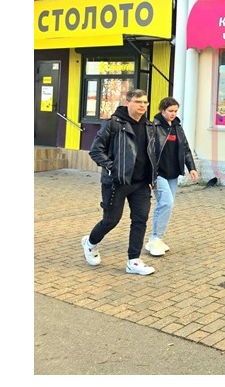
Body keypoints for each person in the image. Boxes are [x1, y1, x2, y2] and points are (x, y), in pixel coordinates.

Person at [82, 89, 157, 276]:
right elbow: (96, 151)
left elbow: (152, 153)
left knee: (140, 220)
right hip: (117, 182)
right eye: (138, 101)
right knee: (111, 220)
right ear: (127, 102)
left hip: (141, 183)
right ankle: (90, 243)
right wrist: (113, 168)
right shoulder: (113, 123)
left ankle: (134, 261)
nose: (142, 105)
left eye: (145, 102)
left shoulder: (149, 126)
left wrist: (153, 175)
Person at [146, 97, 199, 257]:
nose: (173, 114)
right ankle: (155, 239)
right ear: (162, 110)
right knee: (166, 203)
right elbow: (147, 151)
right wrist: (149, 175)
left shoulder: (177, 127)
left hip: (173, 173)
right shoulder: (153, 127)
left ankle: (157, 238)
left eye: (175, 111)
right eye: (170, 111)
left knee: (166, 205)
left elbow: (185, 148)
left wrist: (192, 168)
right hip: (158, 173)